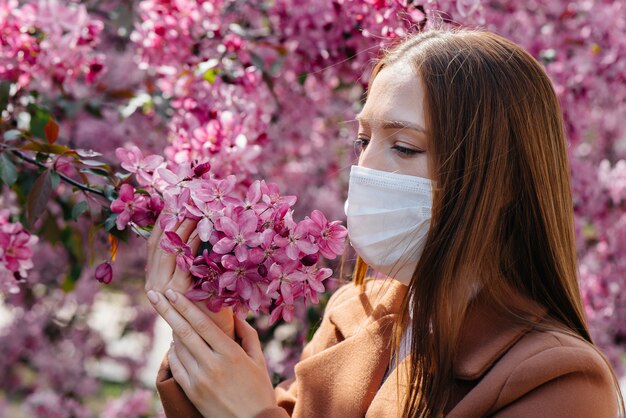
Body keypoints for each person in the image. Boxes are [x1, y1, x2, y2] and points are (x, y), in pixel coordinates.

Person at [144, 27, 624, 417]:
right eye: (363, 140)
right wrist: (208, 334)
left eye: (405, 147)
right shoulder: (352, 316)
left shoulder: (561, 382)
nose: (365, 170)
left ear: (502, 181)